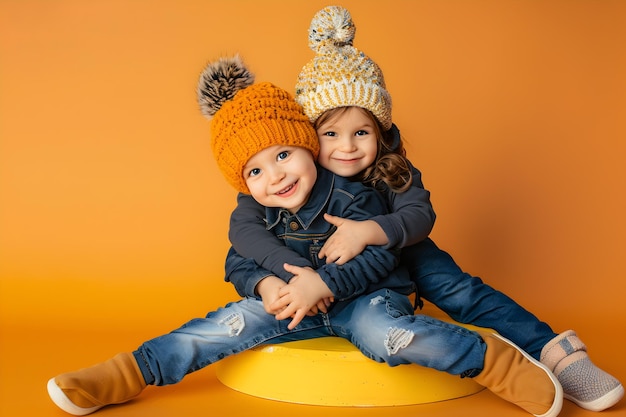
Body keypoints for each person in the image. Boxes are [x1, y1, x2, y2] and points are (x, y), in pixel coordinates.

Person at [47, 55, 562, 417]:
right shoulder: (258, 212)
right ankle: (124, 374)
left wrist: (327, 285)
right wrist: (265, 287)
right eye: (255, 171)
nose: (275, 176)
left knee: (392, 334)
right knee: (222, 327)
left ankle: (499, 362)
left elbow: (383, 258)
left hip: (368, 300)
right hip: (293, 306)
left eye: (283, 156)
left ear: (305, 149)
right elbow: (238, 260)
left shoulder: (349, 196)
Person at [228, 5, 623, 413]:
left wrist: (371, 231)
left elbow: (419, 215)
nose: (347, 146)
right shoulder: (291, 179)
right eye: (331, 134)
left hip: (406, 253)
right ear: (307, 138)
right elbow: (245, 225)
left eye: (361, 132)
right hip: (346, 280)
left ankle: (552, 352)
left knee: (462, 291)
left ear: (379, 131)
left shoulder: (391, 168)